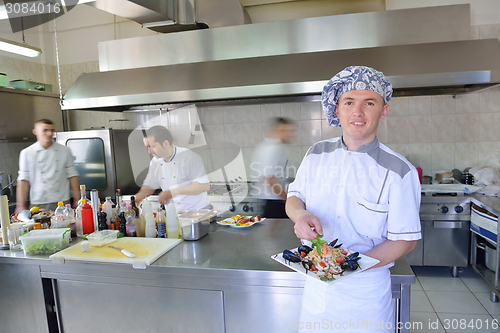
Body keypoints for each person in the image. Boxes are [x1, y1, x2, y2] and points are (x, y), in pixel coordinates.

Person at [285, 66, 421, 332]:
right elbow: (294, 197)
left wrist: (348, 268)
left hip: (365, 295)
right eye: (349, 103)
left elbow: (406, 239)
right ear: (337, 110)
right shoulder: (316, 154)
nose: (357, 112)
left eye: (369, 103)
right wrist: (299, 215)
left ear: (383, 110)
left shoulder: (399, 171)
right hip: (316, 289)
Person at [134, 126, 210, 211]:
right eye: (147, 147)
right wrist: (138, 197)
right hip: (173, 214)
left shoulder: (190, 158)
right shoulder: (155, 162)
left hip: (197, 213)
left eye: (152, 146)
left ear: (165, 143)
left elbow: (203, 185)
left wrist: (173, 192)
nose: (150, 151)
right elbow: (149, 185)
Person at [15, 119, 80, 213]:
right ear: (35, 132)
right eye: (45, 130)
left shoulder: (65, 150)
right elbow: (23, 180)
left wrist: (77, 198)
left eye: (52, 130)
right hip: (38, 202)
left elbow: (72, 175)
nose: (49, 133)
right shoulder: (27, 153)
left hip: (62, 201)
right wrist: (20, 205)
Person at [251, 117, 296, 218]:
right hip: (275, 203)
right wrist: (289, 200)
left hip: (272, 201)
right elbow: (270, 180)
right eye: (288, 131)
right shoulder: (274, 149)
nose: (291, 135)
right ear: (279, 131)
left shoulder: (265, 146)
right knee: (276, 233)